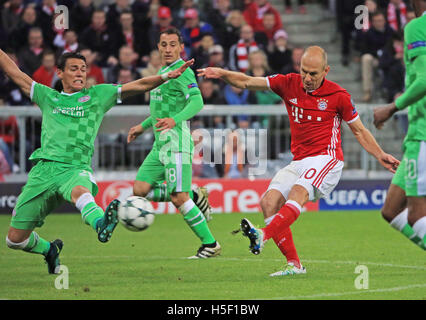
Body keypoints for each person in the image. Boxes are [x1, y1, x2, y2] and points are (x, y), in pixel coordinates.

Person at [198, 46, 400, 276]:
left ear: (326, 70)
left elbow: (360, 131)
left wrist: (380, 154)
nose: (307, 78)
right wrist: (222, 73)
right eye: (304, 71)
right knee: (268, 203)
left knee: (298, 193)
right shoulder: (288, 83)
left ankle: (262, 235)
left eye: (313, 73)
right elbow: (246, 81)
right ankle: (295, 265)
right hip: (300, 160)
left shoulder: (339, 96)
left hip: (327, 159)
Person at [1, 49, 193, 274]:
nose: (80, 74)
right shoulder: (47, 96)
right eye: (74, 69)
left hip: (74, 168)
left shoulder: (97, 96)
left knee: (80, 191)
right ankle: (49, 249)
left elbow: (137, 85)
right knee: (14, 240)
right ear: (60, 73)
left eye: (83, 69)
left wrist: (164, 77)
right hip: (43, 171)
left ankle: (101, 223)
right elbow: (14, 71)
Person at [127, 28, 221, 259]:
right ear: (158, 47)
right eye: (163, 45)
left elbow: (197, 102)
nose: (168, 49)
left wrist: (175, 120)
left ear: (181, 48)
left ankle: (210, 244)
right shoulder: (163, 72)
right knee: (139, 191)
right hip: (160, 146)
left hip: (177, 144)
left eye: (172, 45)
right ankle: (194, 195)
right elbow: (161, 111)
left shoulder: (183, 72)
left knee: (179, 197)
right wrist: (142, 126)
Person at [373, 0, 426, 251]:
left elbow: (425, 79)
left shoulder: (418, 26)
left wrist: (392, 108)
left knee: (417, 215)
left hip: (423, 134)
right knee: (391, 210)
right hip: (416, 137)